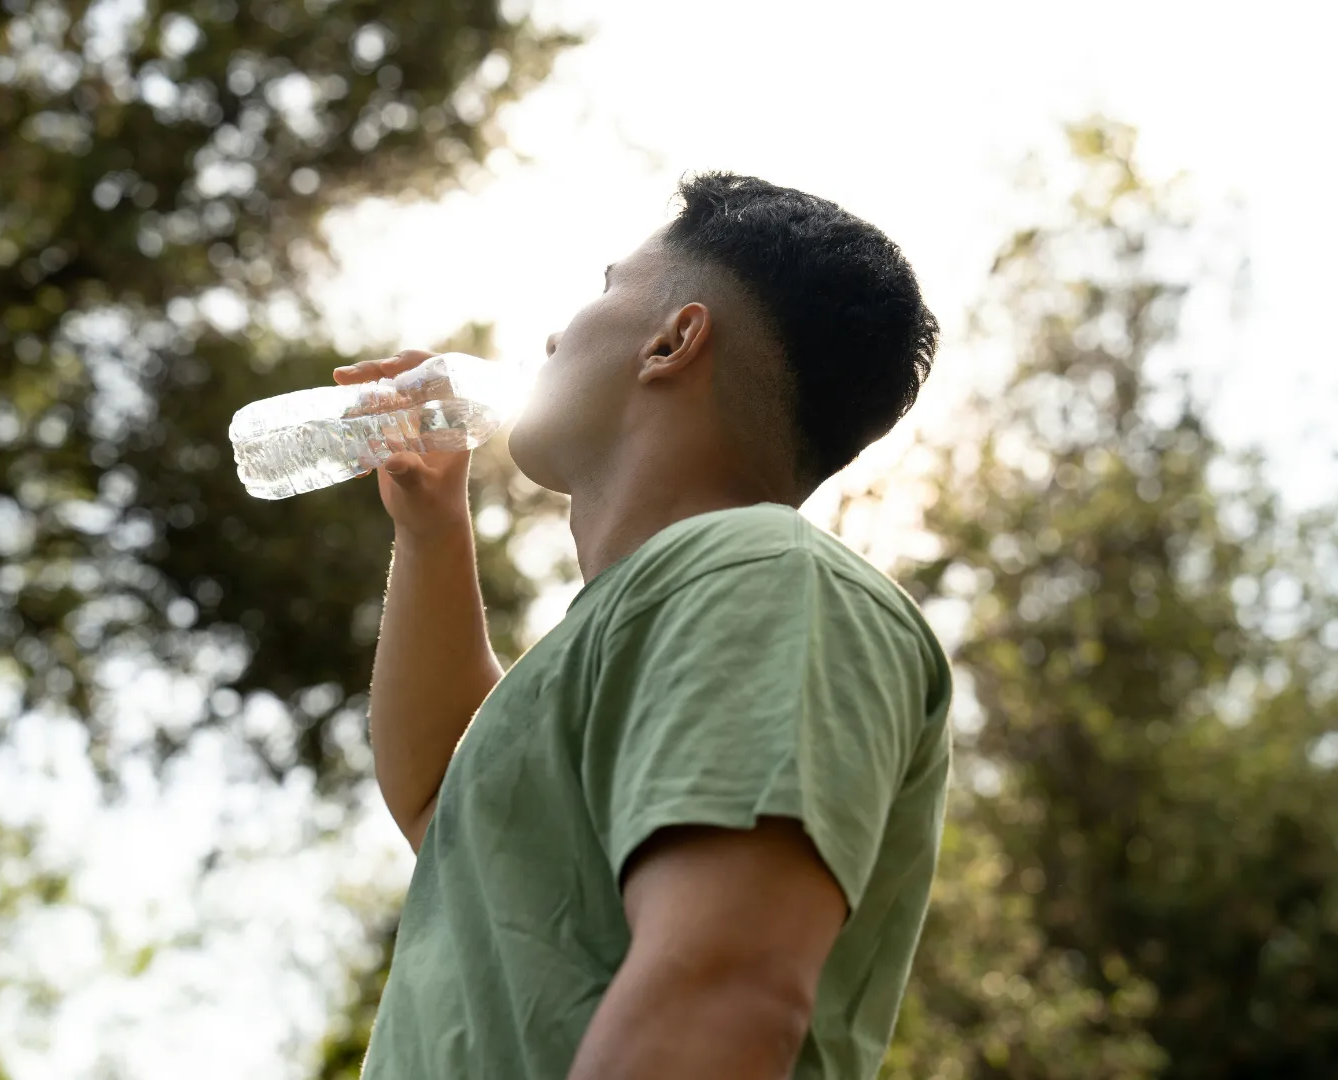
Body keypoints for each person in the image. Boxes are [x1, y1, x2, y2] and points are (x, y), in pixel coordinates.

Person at [334, 172, 952, 1080]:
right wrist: (433, 530)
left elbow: (719, 991)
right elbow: (445, 800)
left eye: (605, 287)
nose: (553, 335)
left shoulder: (767, 578)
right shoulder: (648, 618)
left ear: (673, 339)